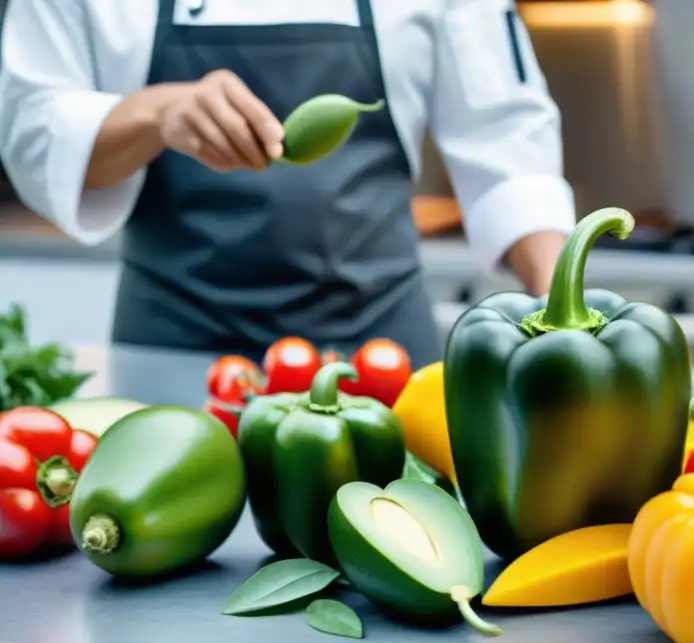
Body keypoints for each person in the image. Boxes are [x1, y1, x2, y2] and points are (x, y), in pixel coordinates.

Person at [0, 0, 575, 370]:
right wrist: (157, 113)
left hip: (386, 366)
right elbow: (30, 129)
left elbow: (509, 146)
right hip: (172, 365)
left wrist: (565, 314)